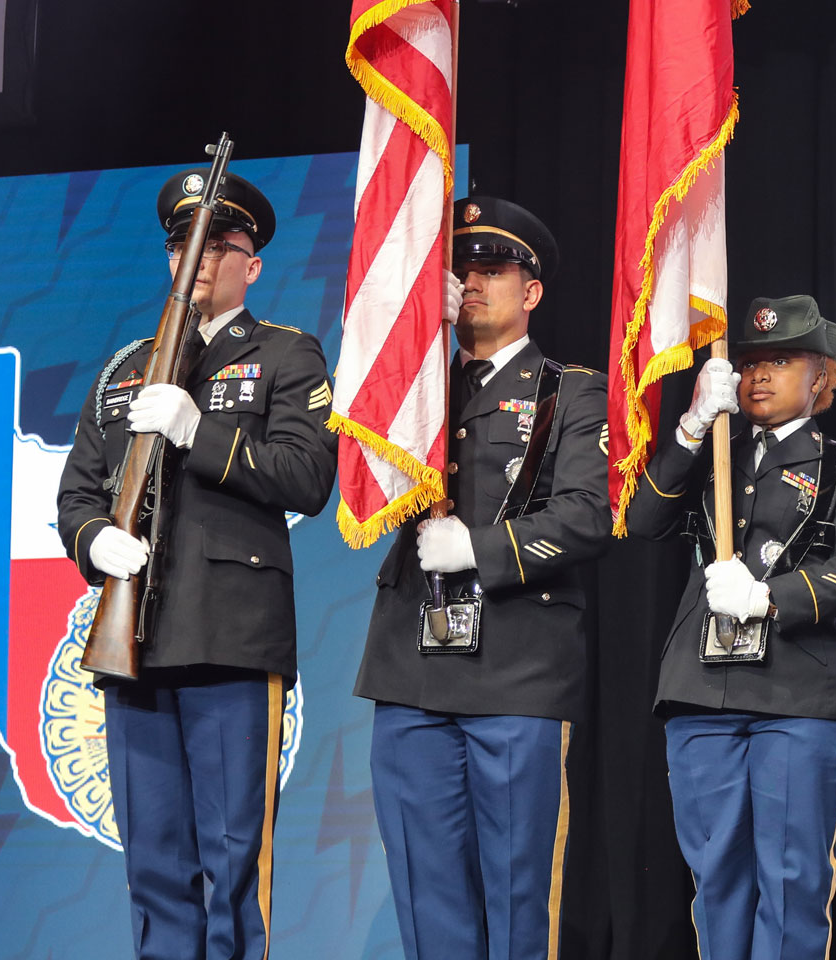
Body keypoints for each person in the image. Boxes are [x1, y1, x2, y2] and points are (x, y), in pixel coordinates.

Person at [56, 169, 338, 960]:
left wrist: (197, 431)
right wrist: (92, 543)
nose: (199, 257)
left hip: (230, 643)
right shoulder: (123, 370)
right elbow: (77, 494)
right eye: (185, 242)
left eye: (221, 243)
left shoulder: (286, 355)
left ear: (253, 265)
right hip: (136, 642)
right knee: (153, 865)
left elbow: (307, 478)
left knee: (232, 862)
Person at [353, 196, 609, 959]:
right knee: (427, 902)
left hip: (516, 672)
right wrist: (414, 345)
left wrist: (483, 549)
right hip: (411, 673)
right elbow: (352, 466)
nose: (472, 282)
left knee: (516, 896)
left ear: (530, 292)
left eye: (492, 270)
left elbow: (588, 515)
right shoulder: (412, 391)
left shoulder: (572, 391)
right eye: (462, 268)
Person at [624, 295, 836, 960]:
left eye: (781, 359)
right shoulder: (715, 449)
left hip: (798, 693)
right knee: (716, 880)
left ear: (823, 376)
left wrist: (771, 599)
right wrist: (690, 427)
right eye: (747, 363)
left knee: (792, 878)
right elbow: (642, 522)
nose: (759, 375)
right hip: (703, 691)